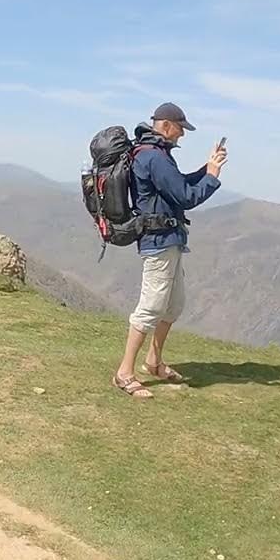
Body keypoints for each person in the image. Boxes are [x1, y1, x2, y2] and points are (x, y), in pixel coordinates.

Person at [112, 102, 227, 398]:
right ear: (166, 126)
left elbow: (178, 184)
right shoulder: (154, 157)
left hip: (169, 240)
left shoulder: (154, 154)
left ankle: (153, 361)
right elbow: (186, 197)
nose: (182, 134)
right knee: (150, 308)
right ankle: (124, 373)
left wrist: (207, 168)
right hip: (159, 243)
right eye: (180, 128)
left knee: (174, 306)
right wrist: (212, 177)